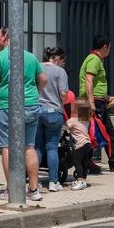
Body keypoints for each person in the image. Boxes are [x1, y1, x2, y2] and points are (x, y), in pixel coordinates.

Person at [0, 27, 46, 202]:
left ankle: (12, 190)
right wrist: (35, 94)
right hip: (32, 105)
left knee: (7, 147)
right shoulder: (30, 56)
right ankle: (33, 190)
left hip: (8, 106)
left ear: (5, 37)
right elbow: (43, 80)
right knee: (29, 146)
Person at [80, 36, 114, 172]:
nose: (109, 50)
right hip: (92, 101)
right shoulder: (94, 59)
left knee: (88, 134)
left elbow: (95, 85)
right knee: (101, 133)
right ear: (104, 47)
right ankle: (112, 161)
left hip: (87, 100)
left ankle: (90, 162)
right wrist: (92, 103)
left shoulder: (91, 59)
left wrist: (108, 98)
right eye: (109, 48)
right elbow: (89, 80)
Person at [37, 46, 69, 192]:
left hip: (36, 110)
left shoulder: (37, 67)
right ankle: (53, 181)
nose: (63, 63)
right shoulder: (60, 72)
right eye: (62, 60)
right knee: (51, 147)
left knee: (36, 147)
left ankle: (34, 182)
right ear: (57, 57)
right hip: (53, 112)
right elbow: (63, 94)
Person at [67, 101, 93, 190]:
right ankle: (84, 181)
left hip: (80, 145)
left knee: (76, 162)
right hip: (88, 144)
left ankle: (80, 180)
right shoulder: (86, 121)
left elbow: (64, 126)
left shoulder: (73, 120)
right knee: (84, 163)